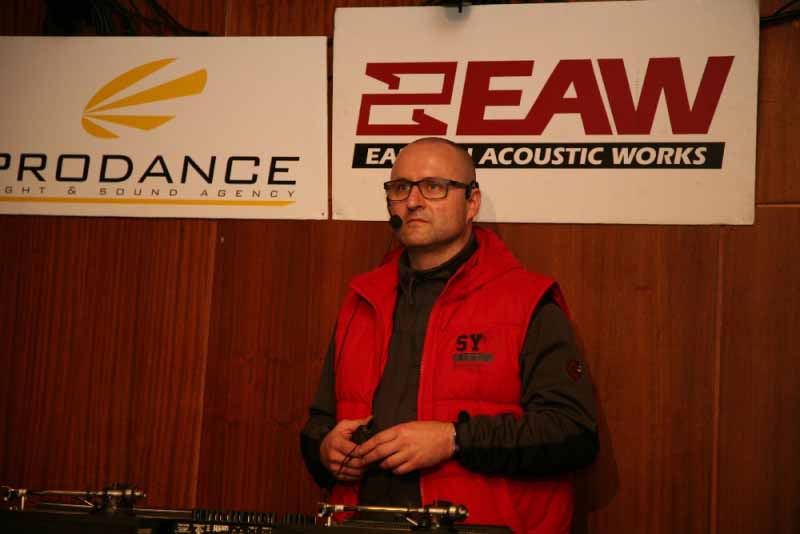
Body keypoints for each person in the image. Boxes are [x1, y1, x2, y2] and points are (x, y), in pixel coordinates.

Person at [300, 137, 598, 534]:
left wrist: (455, 439)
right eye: (400, 187)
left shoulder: (527, 301)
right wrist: (325, 449)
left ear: (472, 202)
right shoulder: (361, 300)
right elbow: (319, 423)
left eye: (434, 186)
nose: (413, 201)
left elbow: (573, 434)